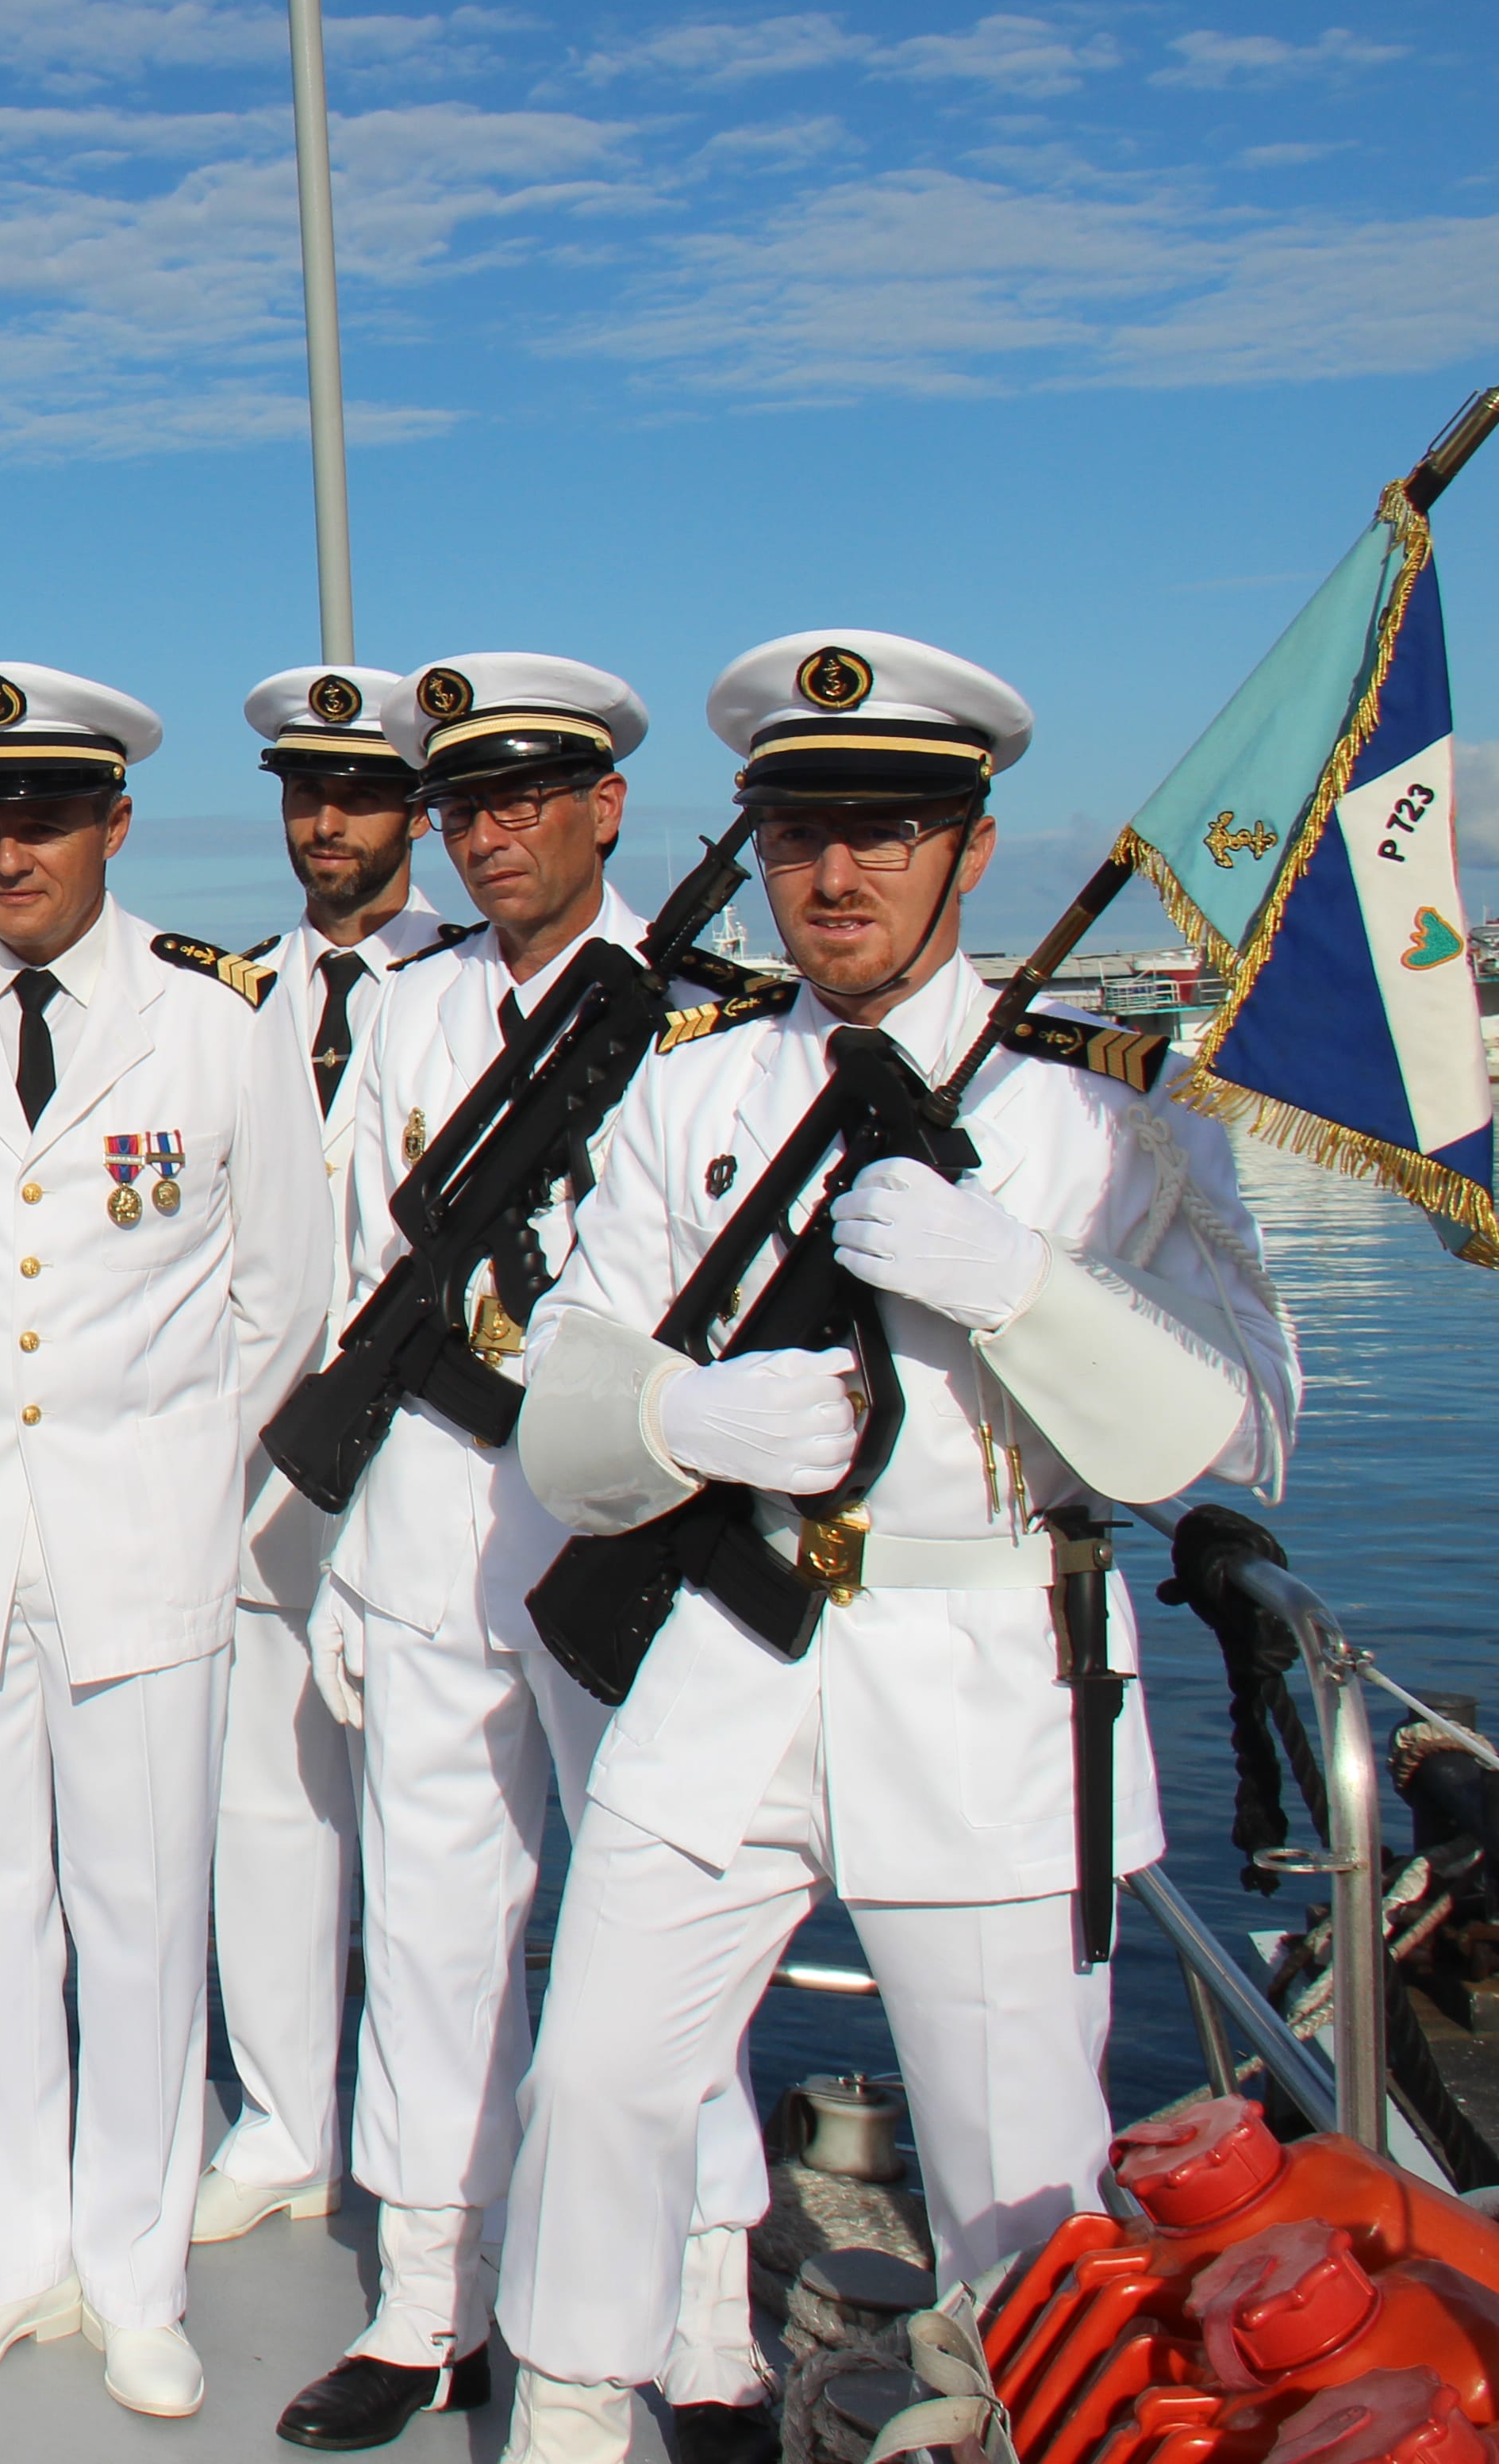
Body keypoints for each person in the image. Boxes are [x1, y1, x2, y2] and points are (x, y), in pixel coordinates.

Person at [495, 631, 1297, 2464]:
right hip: (733, 1656)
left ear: (973, 845)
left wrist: (1022, 1284)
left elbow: (1242, 1423)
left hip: (990, 1675)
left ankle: (1026, 2422)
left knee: (1020, 2177)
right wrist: (683, 1424)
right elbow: (567, 1410)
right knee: (601, 2080)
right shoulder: (693, 1088)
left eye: (885, 831)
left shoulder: (1112, 1107)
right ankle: (567, 2407)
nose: (835, 876)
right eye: (797, 835)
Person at [0, 661, 325, 2420]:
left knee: (139, 1914)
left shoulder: (218, 1014)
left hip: (142, 1539)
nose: (7, 848)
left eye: (41, 814)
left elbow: (284, 1292)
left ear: (114, 818)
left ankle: (136, 2277)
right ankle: (0, 2262)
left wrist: (149, 1442)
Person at [279, 654, 771, 2453]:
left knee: (659, 1944)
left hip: (619, 1535)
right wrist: (340, 1546)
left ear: (606, 810)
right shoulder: (410, 1011)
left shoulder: (714, 1018)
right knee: (428, 1924)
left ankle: (707, 2323)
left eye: (526, 801)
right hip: (422, 1519)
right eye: (465, 805)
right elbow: (356, 1263)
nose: (491, 836)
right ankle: (430, 2304)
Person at [194, 666, 457, 2250]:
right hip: (267, 1461)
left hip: (439, 1458)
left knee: (447, 1839)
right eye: (305, 794)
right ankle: (288, 2120)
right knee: (269, 1806)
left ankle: (435, 2157)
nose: (327, 823)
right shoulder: (226, 999)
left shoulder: (484, 984)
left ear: (413, 814)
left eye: (358, 795)